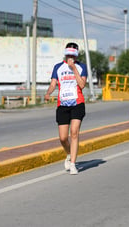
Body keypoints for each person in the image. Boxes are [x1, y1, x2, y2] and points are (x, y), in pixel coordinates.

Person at [44, 42, 87, 175]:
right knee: (63, 138)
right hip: (62, 104)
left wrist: (73, 68)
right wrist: (48, 93)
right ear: (65, 54)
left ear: (76, 55)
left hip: (77, 103)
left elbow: (82, 85)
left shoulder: (81, 67)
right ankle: (68, 154)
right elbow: (53, 84)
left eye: (73, 55)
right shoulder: (58, 67)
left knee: (74, 132)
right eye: (69, 55)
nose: (70, 57)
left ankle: (73, 164)